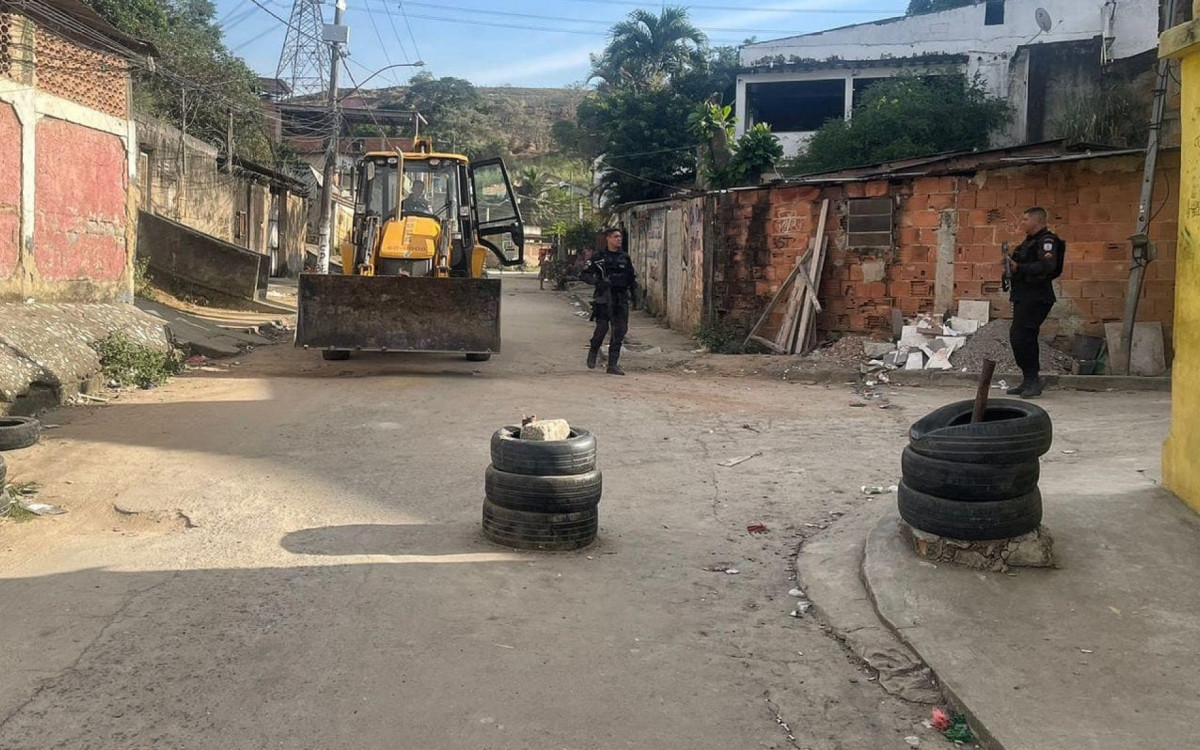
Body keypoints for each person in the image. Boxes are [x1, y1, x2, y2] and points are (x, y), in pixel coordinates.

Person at [1004, 207, 1065, 399]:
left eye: (1024, 220)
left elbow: (1048, 266)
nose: (1021, 223)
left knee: (1023, 336)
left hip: (1037, 296)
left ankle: (1033, 380)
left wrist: (1019, 267)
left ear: (1036, 221)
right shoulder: (1028, 243)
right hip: (1024, 295)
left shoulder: (1047, 241)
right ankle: (1028, 379)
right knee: (1020, 336)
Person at [581, 228, 638, 376]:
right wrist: (597, 282)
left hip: (620, 297)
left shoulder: (625, 257)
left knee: (620, 331)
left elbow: (631, 277)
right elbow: (584, 274)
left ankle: (612, 364)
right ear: (608, 238)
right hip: (604, 297)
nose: (619, 239)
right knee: (602, 329)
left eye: (620, 237)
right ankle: (594, 349)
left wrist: (634, 296)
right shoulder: (598, 257)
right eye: (615, 237)